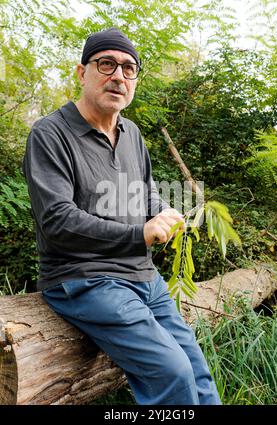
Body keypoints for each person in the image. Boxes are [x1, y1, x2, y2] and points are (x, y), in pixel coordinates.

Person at [22, 28, 221, 405]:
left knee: (195, 366)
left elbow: (145, 191)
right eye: (107, 64)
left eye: (129, 69)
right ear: (83, 73)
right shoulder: (50, 134)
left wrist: (163, 212)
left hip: (143, 276)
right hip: (84, 279)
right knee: (171, 372)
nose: (118, 76)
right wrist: (138, 235)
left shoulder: (132, 135)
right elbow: (58, 221)